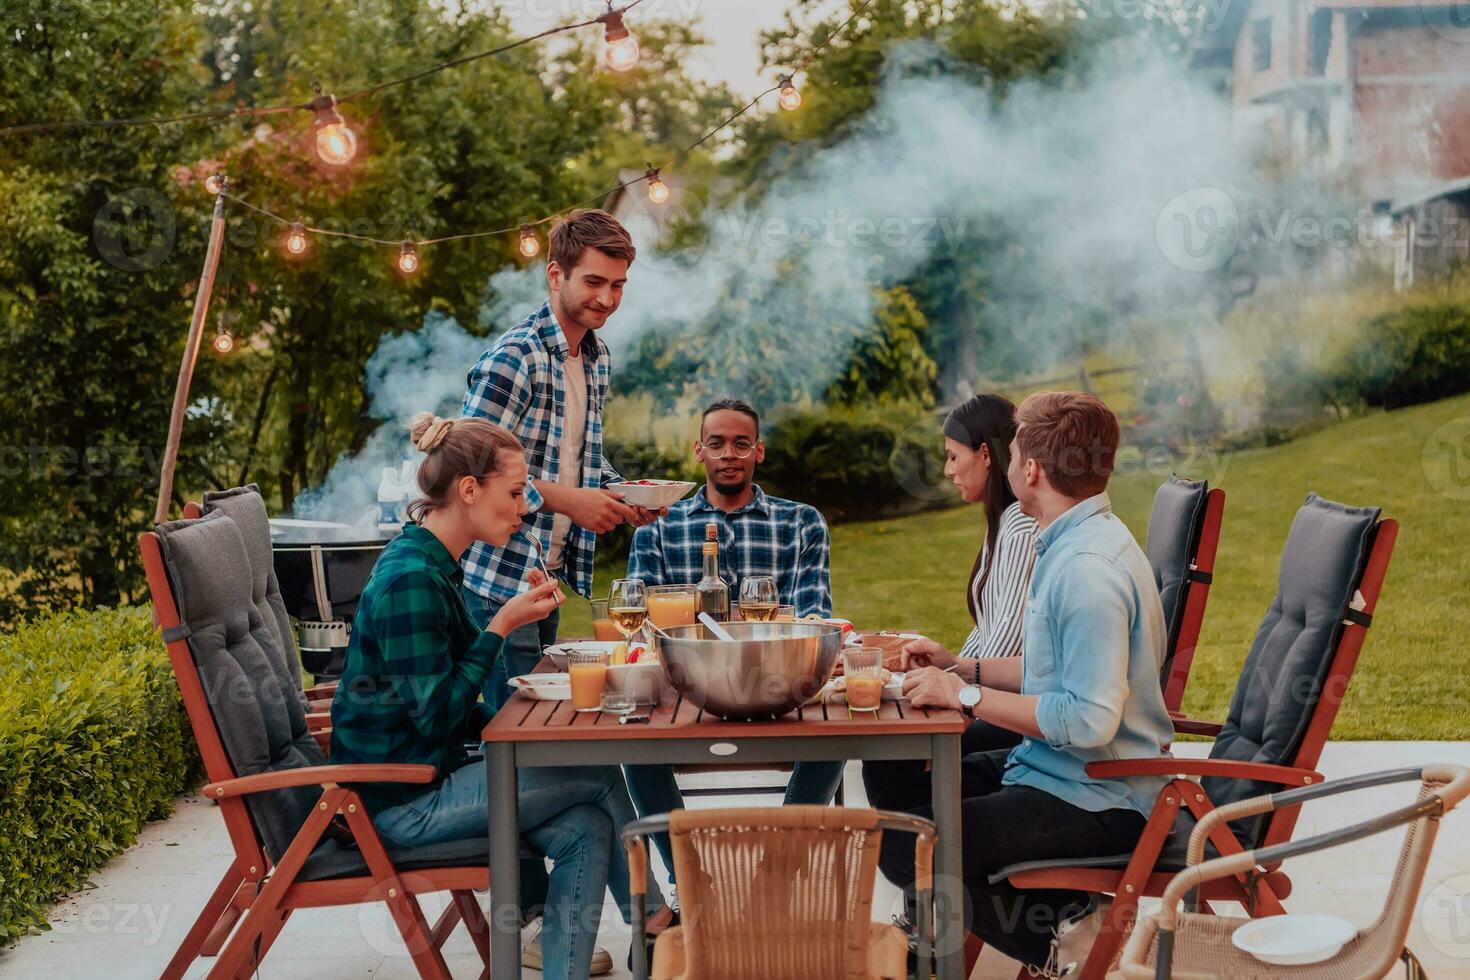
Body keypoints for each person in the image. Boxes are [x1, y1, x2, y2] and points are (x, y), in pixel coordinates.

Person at [330, 414, 666, 980]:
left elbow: (456, 704)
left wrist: (528, 728)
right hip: (399, 803)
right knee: (601, 773)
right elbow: (437, 715)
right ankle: (657, 922)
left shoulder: (434, 564)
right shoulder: (412, 578)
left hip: (428, 776)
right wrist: (500, 628)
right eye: (514, 492)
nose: (523, 506)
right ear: (468, 490)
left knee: (587, 824)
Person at [876, 391, 1173, 977]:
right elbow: (1046, 671)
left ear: (1030, 469)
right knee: (903, 811)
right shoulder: (1068, 543)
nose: (1008, 464)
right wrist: (960, 666)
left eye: (1012, 452)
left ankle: (1067, 946)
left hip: (1101, 795)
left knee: (905, 845)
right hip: (1054, 770)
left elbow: (1088, 720)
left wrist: (962, 698)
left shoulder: (1088, 571)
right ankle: (1064, 912)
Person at [623, 398, 840, 875]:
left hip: (779, 686)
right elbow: (642, 627)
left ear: (758, 452)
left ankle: (778, 868)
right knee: (633, 746)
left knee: (836, 736)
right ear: (698, 451)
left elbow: (812, 620)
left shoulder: (801, 522)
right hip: (686, 689)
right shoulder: (660, 527)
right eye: (717, 443)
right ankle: (688, 878)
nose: (729, 454)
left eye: (741, 444)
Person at [460, 208, 661, 711]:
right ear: (555, 274)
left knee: (540, 729)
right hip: (493, 586)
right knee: (517, 739)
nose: (607, 299)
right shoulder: (515, 358)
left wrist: (623, 493)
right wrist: (571, 502)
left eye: (619, 286)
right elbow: (471, 470)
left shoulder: (596, 357)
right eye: (595, 281)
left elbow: (576, 457)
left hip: (544, 579)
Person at [861, 394, 1037, 827]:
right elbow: (987, 634)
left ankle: (923, 859)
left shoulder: (1019, 526)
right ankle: (921, 870)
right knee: (887, 747)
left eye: (952, 456)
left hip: (1016, 712)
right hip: (1002, 698)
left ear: (984, 454)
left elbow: (1004, 647)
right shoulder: (1003, 523)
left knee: (889, 752)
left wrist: (952, 679)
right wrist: (946, 664)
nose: (947, 470)